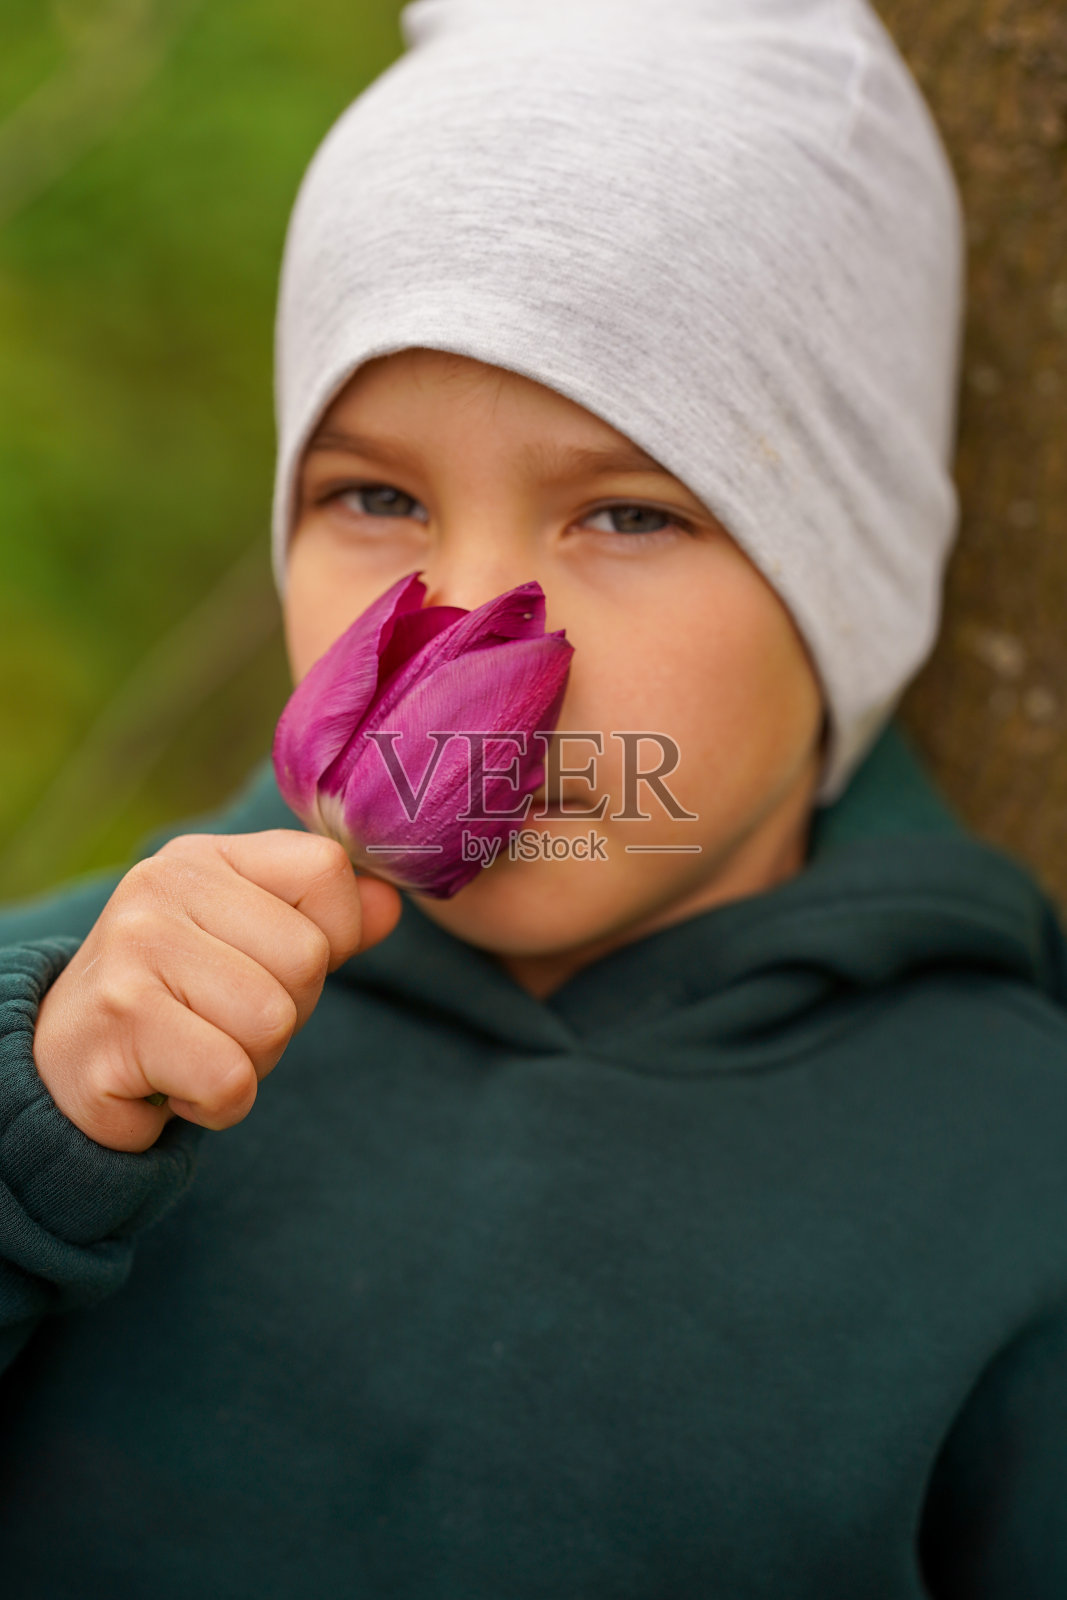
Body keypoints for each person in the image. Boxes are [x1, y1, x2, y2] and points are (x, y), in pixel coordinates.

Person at [1, 1, 1066, 1594]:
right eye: (376, 495)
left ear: (844, 584)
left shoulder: (1014, 1168)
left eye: (627, 513)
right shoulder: (81, 1020)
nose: (476, 610)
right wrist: (36, 1145)